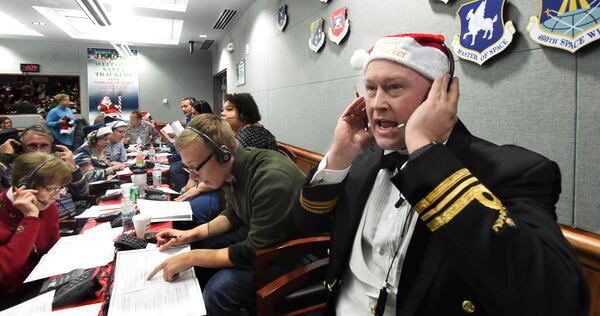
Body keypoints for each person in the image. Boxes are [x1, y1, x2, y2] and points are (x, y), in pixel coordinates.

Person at [293, 33, 589, 315]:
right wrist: (338, 157)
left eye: (394, 87)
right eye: (371, 88)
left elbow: (557, 300)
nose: (377, 103)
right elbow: (301, 228)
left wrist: (425, 151)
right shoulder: (362, 160)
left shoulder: (514, 171)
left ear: (441, 94)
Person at [147, 114, 305, 315]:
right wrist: (190, 235)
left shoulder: (271, 179)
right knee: (200, 245)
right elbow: (233, 214)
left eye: (195, 167)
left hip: (295, 253)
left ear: (223, 153)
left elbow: (253, 251)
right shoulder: (232, 168)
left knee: (219, 291)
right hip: (264, 237)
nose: (193, 176)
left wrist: (192, 257)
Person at [0, 152, 72, 309]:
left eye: (60, 188)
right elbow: (4, 274)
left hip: (43, 287)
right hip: (10, 300)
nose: (58, 196)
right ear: (23, 186)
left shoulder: (48, 205)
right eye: (53, 189)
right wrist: (30, 218)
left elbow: (53, 249)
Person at [0, 125, 89, 219]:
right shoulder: (12, 167)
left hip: (73, 220)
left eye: (44, 146)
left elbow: (82, 193)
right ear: (21, 147)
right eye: (32, 146)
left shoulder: (60, 163)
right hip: (31, 223)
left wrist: (72, 167)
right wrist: (4, 157)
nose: (38, 151)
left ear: (52, 147)